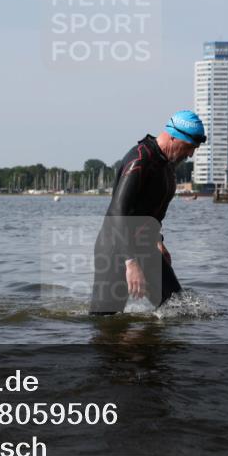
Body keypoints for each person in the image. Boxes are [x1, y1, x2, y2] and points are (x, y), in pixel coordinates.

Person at [89, 110, 205, 314]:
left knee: (179, 311)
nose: (190, 155)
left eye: (193, 149)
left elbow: (152, 213)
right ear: (173, 136)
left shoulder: (167, 166)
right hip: (116, 251)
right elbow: (119, 211)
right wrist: (130, 263)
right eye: (188, 147)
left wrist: (158, 241)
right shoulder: (140, 159)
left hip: (145, 247)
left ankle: (146, 344)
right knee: (106, 323)